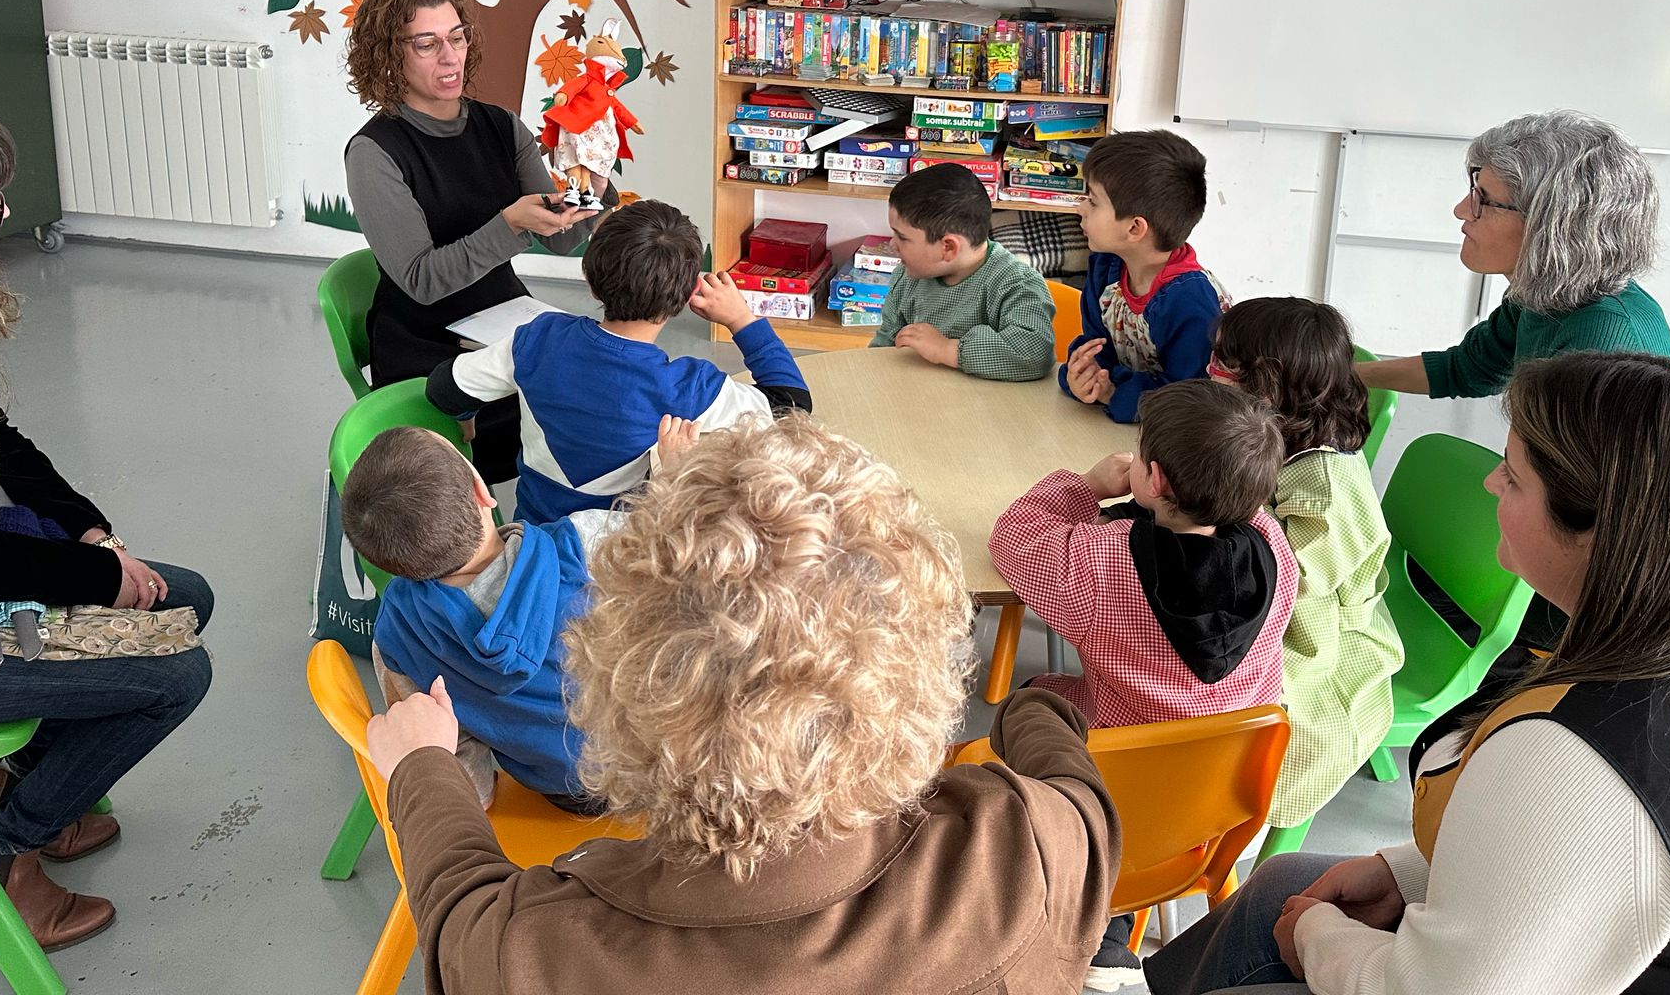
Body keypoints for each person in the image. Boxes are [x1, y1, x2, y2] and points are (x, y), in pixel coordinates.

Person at [1144, 352, 1670, 995]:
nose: (1489, 488)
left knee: (1294, 920)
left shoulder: (1580, 752)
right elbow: (1601, 871)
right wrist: (1405, 874)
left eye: (1511, 477)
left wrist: (1316, 938)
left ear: (1594, 528)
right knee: (1287, 883)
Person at [363, 414, 1123, 995]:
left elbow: (456, 911)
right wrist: (1037, 711)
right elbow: (1085, 808)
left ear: (610, 691)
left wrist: (426, 768)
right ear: (918, 685)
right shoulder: (1029, 852)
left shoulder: (536, 952)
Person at [0, 111, 214, 951]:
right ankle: (0, 864)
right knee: (176, 671)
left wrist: (93, 538)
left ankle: (27, 792)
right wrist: (101, 583)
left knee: (184, 596)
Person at [992, 378, 1298, 989]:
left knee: (1030, 700)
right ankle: (1115, 917)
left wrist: (1084, 488)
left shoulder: (1103, 562)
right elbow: (1227, 514)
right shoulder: (1275, 550)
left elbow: (1014, 542)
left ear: (1155, 480)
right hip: (1216, 799)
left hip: (1115, 787)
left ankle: (1095, 913)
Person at [343, 0, 607, 481]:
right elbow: (420, 281)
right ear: (388, 54)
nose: (450, 56)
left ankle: (557, 528)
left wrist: (592, 184)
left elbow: (565, 237)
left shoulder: (501, 125)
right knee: (572, 411)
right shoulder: (375, 153)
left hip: (502, 316)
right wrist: (509, 223)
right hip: (424, 340)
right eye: (426, 43)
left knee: (593, 389)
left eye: (456, 37)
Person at [427, 200, 809, 530]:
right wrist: (741, 319)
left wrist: (466, 415)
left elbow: (444, 387)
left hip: (532, 540)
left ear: (590, 283)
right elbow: (791, 408)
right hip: (620, 561)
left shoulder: (537, 339)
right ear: (682, 301)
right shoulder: (689, 388)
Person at [1210, 299, 1402, 836]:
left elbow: (1285, 587)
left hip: (1318, 636)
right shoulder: (1284, 438)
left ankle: (1226, 823)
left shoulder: (1325, 488)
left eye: (1224, 363)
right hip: (1288, 599)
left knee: (1209, 686)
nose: (1210, 370)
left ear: (1267, 389)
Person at [343, 427, 600, 812]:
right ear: (483, 490)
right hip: (673, 765)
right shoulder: (584, 545)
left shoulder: (395, 637)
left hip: (570, 791)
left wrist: (481, 793)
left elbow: (448, 741)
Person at [1354, 111, 1670, 400]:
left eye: (1485, 200)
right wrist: (1344, 377)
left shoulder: (1605, 343)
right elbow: (1468, 369)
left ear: (1552, 228)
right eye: (1473, 192)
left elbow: (1554, 466)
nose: (1461, 210)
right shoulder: (1543, 293)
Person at [1061, 130, 1231, 422]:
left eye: (1093, 200)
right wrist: (1082, 375)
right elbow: (1095, 346)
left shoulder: (1190, 301)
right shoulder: (1105, 267)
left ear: (1135, 229)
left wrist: (1115, 393)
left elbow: (1190, 401)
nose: (1080, 208)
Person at [869, 161, 1058, 379]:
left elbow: (1034, 354)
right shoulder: (906, 277)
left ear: (948, 247)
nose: (892, 244)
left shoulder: (1017, 284)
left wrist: (948, 350)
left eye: (902, 237)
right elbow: (883, 348)